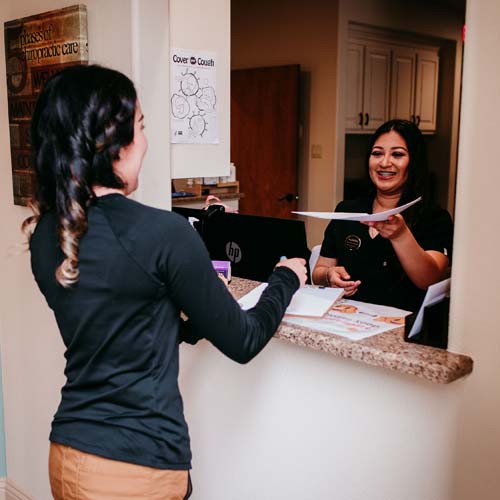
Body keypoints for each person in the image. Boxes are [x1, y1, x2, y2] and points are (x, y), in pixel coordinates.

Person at [23, 64, 307, 500]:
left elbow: (118, 320)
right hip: (134, 467)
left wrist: (182, 317)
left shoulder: (47, 232)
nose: (146, 141)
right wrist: (285, 278)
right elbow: (245, 340)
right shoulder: (162, 232)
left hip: (67, 454)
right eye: (140, 126)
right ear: (112, 144)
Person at [312, 119, 453, 312]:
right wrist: (329, 275)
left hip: (399, 330)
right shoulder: (347, 210)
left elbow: (428, 280)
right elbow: (318, 271)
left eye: (397, 154)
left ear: (414, 162)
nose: (384, 163)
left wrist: (400, 235)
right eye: (377, 153)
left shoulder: (435, 218)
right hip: (348, 320)